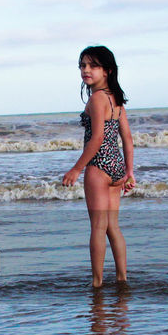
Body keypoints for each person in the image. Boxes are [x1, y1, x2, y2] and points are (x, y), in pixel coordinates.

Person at [61, 45, 135, 287]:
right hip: (116, 168)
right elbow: (127, 138)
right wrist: (129, 172)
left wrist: (76, 168)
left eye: (93, 66)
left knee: (97, 227)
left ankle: (97, 283)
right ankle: (122, 278)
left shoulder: (96, 99)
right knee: (113, 226)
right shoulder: (117, 100)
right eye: (82, 65)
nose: (86, 70)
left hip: (98, 168)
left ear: (108, 70)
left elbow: (97, 139)